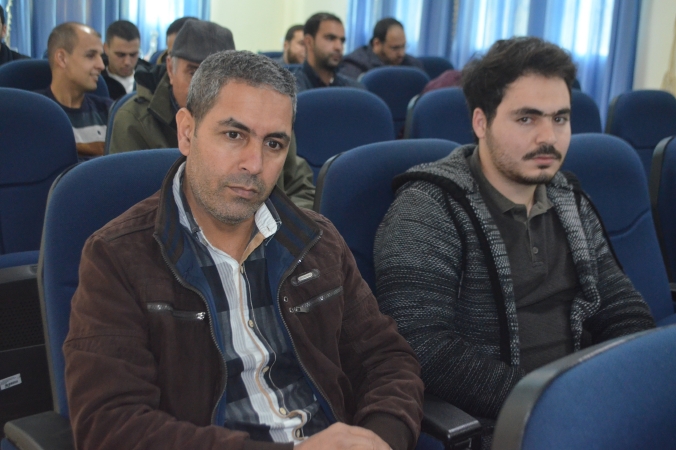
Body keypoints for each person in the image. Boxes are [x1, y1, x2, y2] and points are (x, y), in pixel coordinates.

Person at [64, 49, 424, 450]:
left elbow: (387, 360)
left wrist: (380, 438)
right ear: (187, 132)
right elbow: (110, 425)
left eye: (274, 143)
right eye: (234, 135)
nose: (254, 163)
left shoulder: (316, 241)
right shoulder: (116, 257)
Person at [373, 36, 655, 448]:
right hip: (505, 423)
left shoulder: (568, 198)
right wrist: (554, 402)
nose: (548, 137)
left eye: (560, 118)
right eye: (526, 119)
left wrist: (629, 384)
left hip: (590, 409)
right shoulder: (428, 207)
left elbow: (620, 304)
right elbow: (424, 349)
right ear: (481, 122)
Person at [110, 19, 315, 210]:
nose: (205, 86)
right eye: (193, 72)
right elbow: (127, 202)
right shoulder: (134, 121)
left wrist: (282, 225)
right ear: (171, 69)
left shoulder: (266, 120)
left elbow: (299, 186)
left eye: (218, 78)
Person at [37, 22, 112, 159]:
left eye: (101, 56)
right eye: (90, 55)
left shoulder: (110, 111)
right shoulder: (33, 112)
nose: (101, 65)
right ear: (62, 59)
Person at [294, 12, 364, 92]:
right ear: (309, 42)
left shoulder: (354, 90)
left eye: (342, 41)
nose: (339, 47)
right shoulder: (289, 92)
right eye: (330, 38)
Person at [339, 18, 424, 80]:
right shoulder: (354, 64)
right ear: (377, 44)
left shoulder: (412, 65)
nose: (401, 53)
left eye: (403, 46)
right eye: (395, 48)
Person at [102, 20, 151, 100]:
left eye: (133, 55)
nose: (127, 62)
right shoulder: (95, 81)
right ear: (106, 48)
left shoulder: (151, 79)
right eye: (120, 55)